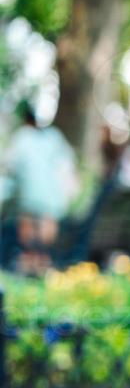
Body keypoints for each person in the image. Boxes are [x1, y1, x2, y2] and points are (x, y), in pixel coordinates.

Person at [3, 103, 78, 275]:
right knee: (45, 224)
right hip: (53, 197)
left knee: (28, 224)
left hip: (29, 196)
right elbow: (67, 164)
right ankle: (42, 262)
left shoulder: (23, 136)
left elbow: (9, 164)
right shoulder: (54, 137)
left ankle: (29, 262)